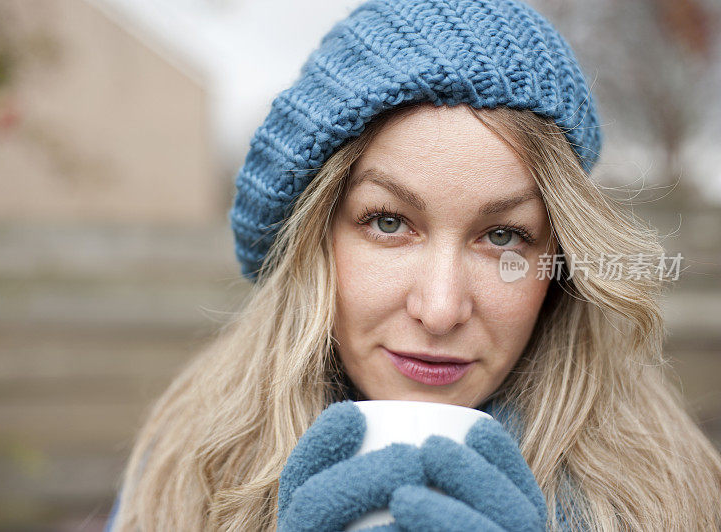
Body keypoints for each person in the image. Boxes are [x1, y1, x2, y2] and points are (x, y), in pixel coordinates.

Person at [105, 0, 721, 530]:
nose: (440, 309)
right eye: (388, 222)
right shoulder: (186, 473)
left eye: (504, 235)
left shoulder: (676, 497)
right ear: (313, 239)